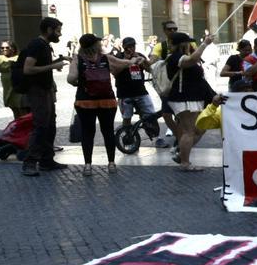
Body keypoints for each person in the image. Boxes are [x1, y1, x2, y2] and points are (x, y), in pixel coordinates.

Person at [68, 34, 138, 175]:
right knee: (107, 131)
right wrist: (134, 60)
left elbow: (71, 78)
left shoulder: (78, 59)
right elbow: (124, 63)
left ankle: (88, 166)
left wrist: (80, 82)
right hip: (107, 100)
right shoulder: (106, 58)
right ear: (96, 45)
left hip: (85, 101)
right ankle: (111, 164)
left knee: (88, 133)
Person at [166, 32, 221, 171]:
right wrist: (205, 44)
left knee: (200, 129)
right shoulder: (176, 57)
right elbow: (190, 60)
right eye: (188, 42)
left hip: (193, 98)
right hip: (184, 99)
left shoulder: (182, 56)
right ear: (183, 44)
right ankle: (185, 162)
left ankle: (182, 153)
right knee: (189, 131)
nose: (191, 44)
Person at [21, 17, 68, 176]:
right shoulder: (36, 44)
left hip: (45, 90)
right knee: (41, 126)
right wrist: (54, 66)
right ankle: (30, 162)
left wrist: (59, 60)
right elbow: (28, 69)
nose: (60, 35)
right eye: (58, 31)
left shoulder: (45, 46)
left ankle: (47, 161)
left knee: (50, 125)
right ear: (49, 30)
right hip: (37, 91)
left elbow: (41, 65)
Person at [115, 36, 166, 149]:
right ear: (123, 47)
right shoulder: (118, 57)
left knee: (151, 116)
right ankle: (129, 138)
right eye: (128, 46)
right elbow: (114, 71)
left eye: (133, 46)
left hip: (141, 91)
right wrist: (128, 62)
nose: (131, 49)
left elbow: (150, 69)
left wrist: (143, 62)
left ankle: (157, 138)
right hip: (124, 93)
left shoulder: (139, 55)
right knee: (127, 117)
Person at [0, 41, 27, 118]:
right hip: (7, 88)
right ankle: (18, 126)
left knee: (21, 108)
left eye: (7, 47)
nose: (4, 49)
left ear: (13, 49)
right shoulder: (0, 58)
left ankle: (24, 127)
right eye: (2, 48)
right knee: (13, 108)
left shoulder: (19, 58)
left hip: (17, 87)